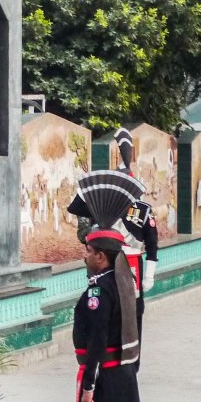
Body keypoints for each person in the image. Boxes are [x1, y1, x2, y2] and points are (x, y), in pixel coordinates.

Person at [68, 127, 159, 340]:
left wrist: (149, 275)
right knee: (100, 314)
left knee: (132, 316)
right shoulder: (98, 205)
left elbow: (152, 244)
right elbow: (83, 235)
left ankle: (130, 360)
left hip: (132, 268)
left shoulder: (143, 210)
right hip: (102, 268)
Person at [71, 169, 144, 402]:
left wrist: (89, 385)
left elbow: (98, 339)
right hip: (124, 376)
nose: (85, 257)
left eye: (88, 252)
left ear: (101, 257)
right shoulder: (126, 282)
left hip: (106, 379)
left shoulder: (99, 291)